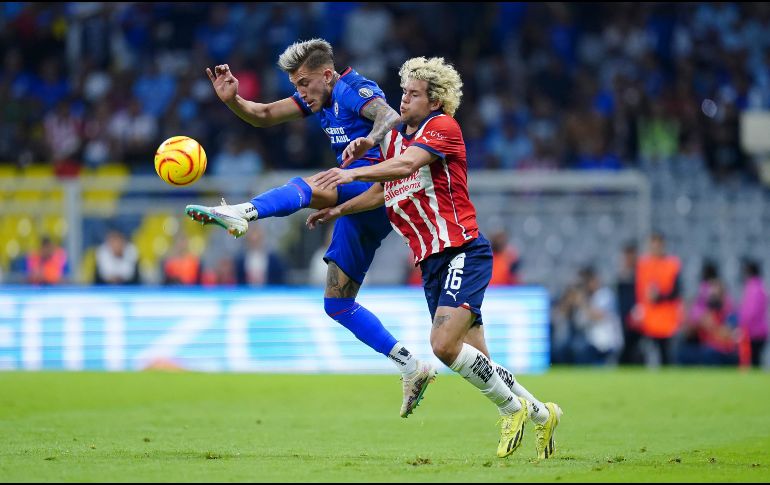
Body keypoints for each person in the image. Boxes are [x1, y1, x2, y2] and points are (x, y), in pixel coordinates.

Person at [307, 56, 562, 459]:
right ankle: (543, 415)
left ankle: (510, 410)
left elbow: (407, 165)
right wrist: (339, 210)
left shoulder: (443, 127)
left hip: (462, 250)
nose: (404, 99)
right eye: (403, 91)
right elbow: (381, 192)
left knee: (443, 346)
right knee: (480, 362)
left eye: (414, 94)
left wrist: (351, 173)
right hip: (431, 264)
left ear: (435, 101)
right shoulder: (393, 139)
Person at [184, 39, 434, 417]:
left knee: (311, 185)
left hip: (376, 186)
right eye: (295, 85)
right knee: (337, 303)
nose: (300, 92)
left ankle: (242, 212)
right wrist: (233, 100)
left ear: (327, 75)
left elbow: (388, 115)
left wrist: (369, 139)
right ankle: (411, 366)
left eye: (304, 83)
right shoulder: (318, 96)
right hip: (358, 206)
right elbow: (264, 114)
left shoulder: (351, 89)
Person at [634, 232, 682, 366]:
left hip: (667, 319)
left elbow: (676, 291)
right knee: (647, 355)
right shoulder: (643, 265)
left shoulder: (672, 264)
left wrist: (659, 296)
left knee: (666, 356)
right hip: (648, 320)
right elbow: (639, 291)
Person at [738, 259, 767, 367]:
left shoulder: (753, 288)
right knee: (755, 359)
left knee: (753, 360)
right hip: (759, 330)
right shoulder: (760, 286)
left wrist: (742, 325)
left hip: (753, 332)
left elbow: (751, 312)